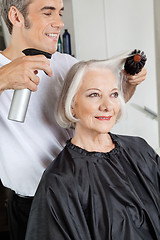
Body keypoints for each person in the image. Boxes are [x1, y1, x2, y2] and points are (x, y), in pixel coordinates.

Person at [0, 0, 147, 239]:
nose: (59, 23)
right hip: (33, 206)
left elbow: (97, 112)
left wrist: (127, 87)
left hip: (84, 195)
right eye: (48, 13)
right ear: (16, 17)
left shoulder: (65, 63)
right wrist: (4, 78)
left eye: (60, 13)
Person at [25, 57, 160, 240]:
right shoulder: (60, 181)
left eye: (113, 94)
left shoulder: (140, 149)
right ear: (72, 104)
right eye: (94, 94)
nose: (107, 106)